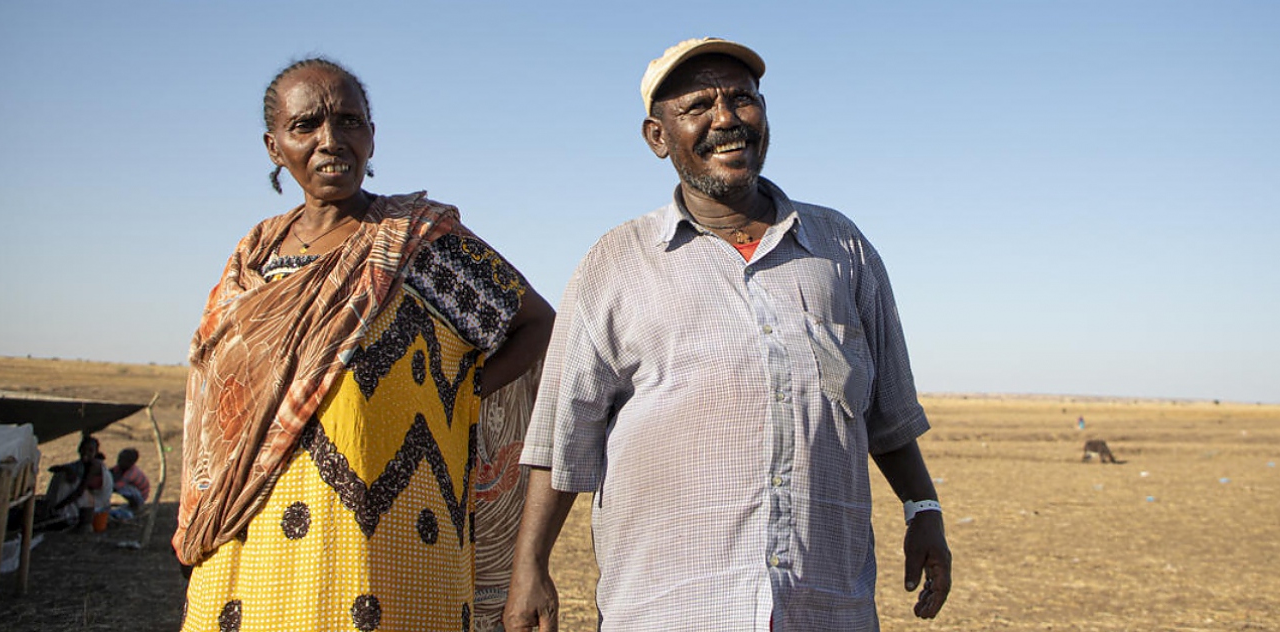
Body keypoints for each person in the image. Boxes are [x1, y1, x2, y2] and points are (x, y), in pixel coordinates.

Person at [505, 38, 952, 631]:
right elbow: (564, 432)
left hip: (825, 604)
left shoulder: (841, 248)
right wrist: (529, 566)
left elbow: (885, 411)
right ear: (657, 137)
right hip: (670, 606)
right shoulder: (615, 264)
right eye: (699, 106)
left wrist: (923, 508)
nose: (726, 119)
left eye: (743, 99)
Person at [175, 57, 554, 632]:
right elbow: (212, 401)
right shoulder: (252, 259)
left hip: (389, 549)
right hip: (248, 544)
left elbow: (536, 323)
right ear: (274, 146)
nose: (331, 140)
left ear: (371, 137)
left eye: (349, 121)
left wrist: (461, 393)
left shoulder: (417, 244)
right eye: (306, 126)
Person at [38, 435, 112, 531]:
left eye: (90, 451)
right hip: (90, 498)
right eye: (83, 449)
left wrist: (58, 506)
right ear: (79, 450)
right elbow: (52, 469)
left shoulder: (94, 465)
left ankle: (59, 513)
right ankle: (54, 510)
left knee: (63, 479)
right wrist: (66, 469)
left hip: (98, 504)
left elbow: (79, 492)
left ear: (96, 452)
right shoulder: (82, 464)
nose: (86, 453)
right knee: (61, 475)